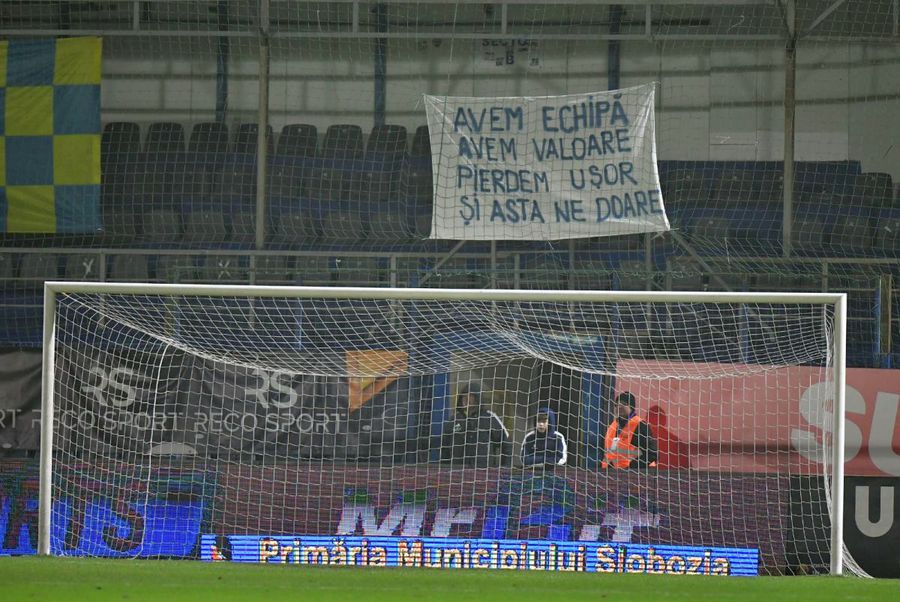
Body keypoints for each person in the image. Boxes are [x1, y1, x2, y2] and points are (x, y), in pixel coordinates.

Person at [442, 383, 511, 468]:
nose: (466, 399)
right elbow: (444, 447)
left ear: (478, 398)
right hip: (457, 472)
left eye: (470, 396)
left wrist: (505, 468)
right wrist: (445, 468)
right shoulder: (453, 420)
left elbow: (506, 443)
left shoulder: (489, 417)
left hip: (483, 473)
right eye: (464, 396)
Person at [601, 391, 658, 469]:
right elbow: (610, 451)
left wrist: (632, 468)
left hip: (636, 475)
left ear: (631, 407)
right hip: (612, 474)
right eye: (616, 405)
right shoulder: (613, 426)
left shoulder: (640, 425)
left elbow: (652, 454)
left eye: (624, 404)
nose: (619, 406)